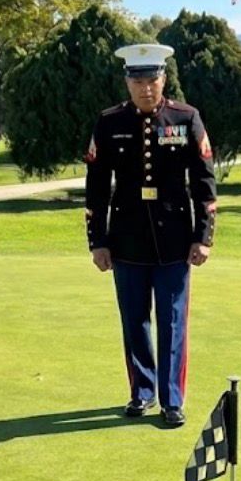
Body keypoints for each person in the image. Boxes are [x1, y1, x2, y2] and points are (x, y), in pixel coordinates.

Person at [84, 43, 217, 428]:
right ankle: (142, 391)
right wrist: (98, 241)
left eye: (152, 80)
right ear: (127, 82)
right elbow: (96, 187)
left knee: (172, 322)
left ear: (164, 79)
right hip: (126, 239)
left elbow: (204, 182)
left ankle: (172, 399)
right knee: (134, 320)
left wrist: (204, 236)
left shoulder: (186, 118)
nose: (146, 88)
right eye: (138, 81)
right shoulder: (109, 122)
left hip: (174, 239)